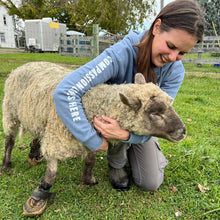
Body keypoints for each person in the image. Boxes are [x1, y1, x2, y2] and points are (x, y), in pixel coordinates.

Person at [53, 0, 205, 191]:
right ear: (157, 27)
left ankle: (137, 152)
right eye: (171, 46)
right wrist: (91, 138)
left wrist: (125, 135)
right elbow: (66, 91)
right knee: (119, 116)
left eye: (182, 52)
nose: (173, 58)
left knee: (150, 182)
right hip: (110, 119)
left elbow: (161, 118)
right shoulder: (120, 55)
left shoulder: (175, 72)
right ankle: (116, 163)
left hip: (145, 124)